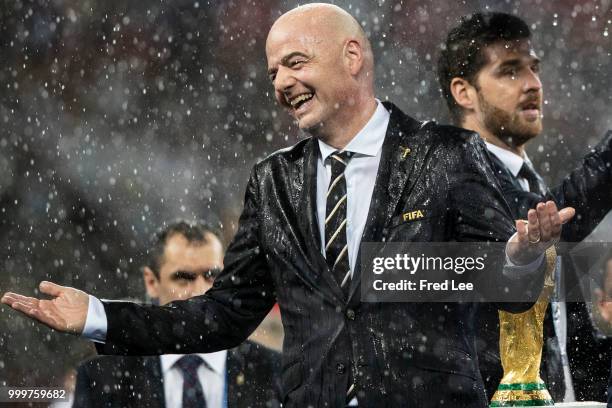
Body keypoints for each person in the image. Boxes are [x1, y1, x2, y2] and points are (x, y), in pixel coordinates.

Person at [2, 4, 574, 407]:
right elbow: (222, 314)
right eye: (273, 70)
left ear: (352, 56)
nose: (280, 81)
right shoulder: (273, 182)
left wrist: (521, 257)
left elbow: (507, 289)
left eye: (295, 62)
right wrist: (99, 315)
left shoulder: (446, 153)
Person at [437, 11, 612, 402]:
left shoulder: (530, 186)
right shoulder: (451, 183)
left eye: (534, 69)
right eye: (510, 71)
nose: (533, 84)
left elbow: (572, 354)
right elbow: (539, 226)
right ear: (464, 92)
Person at [72, 221, 281, 408]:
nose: (201, 291)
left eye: (212, 276)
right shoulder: (103, 377)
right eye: (184, 278)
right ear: (151, 282)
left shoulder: (275, 371)